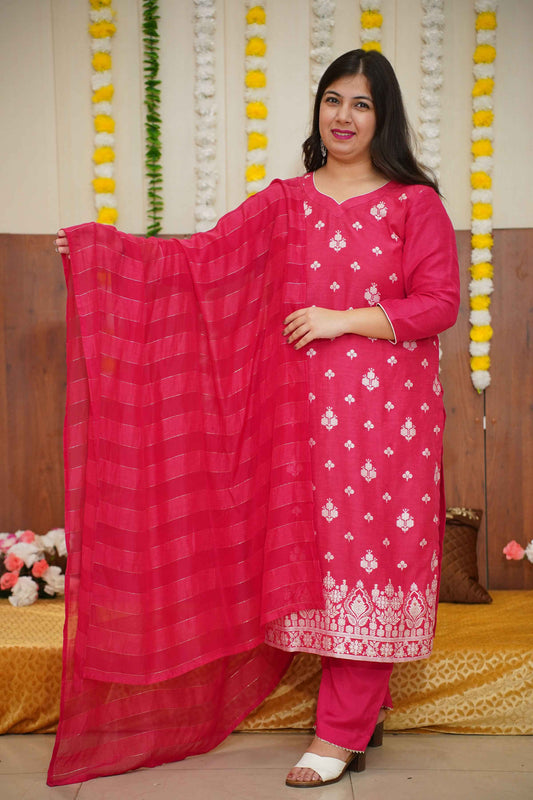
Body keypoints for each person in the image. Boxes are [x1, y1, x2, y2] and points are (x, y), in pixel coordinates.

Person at [52, 48, 459, 789]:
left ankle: (340, 732)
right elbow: (199, 260)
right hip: (297, 420)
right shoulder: (285, 202)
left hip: (385, 421)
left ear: (385, 117)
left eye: (361, 104)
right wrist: (104, 252)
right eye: (332, 99)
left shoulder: (413, 204)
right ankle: (360, 714)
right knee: (320, 561)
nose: (343, 116)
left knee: (369, 559)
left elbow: (438, 304)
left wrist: (341, 318)